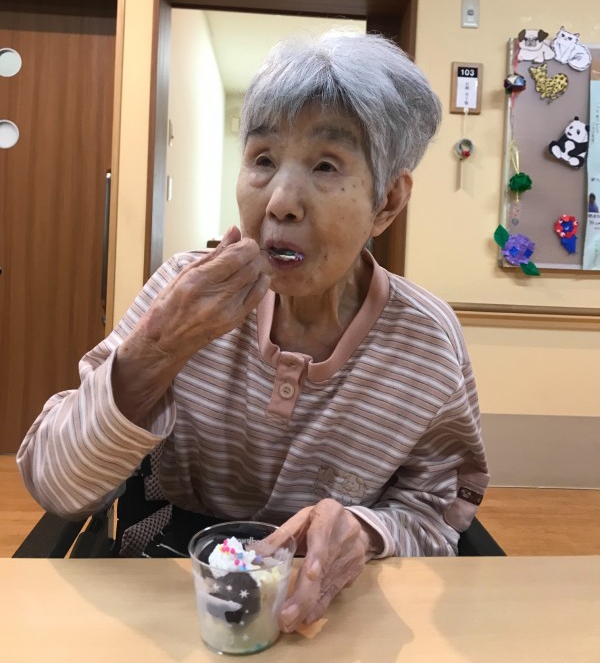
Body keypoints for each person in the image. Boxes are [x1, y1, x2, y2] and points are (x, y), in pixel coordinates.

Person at [17, 32, 489, 632]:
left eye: (326, 165)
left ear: (388, 201)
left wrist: (368, 530)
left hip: (330, 614)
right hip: (168, 597)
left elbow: (436, 512)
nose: (281, 202)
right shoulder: (181, 293)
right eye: (263, 159)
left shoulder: (425, 344)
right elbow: (54, 483)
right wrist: (158, 349)